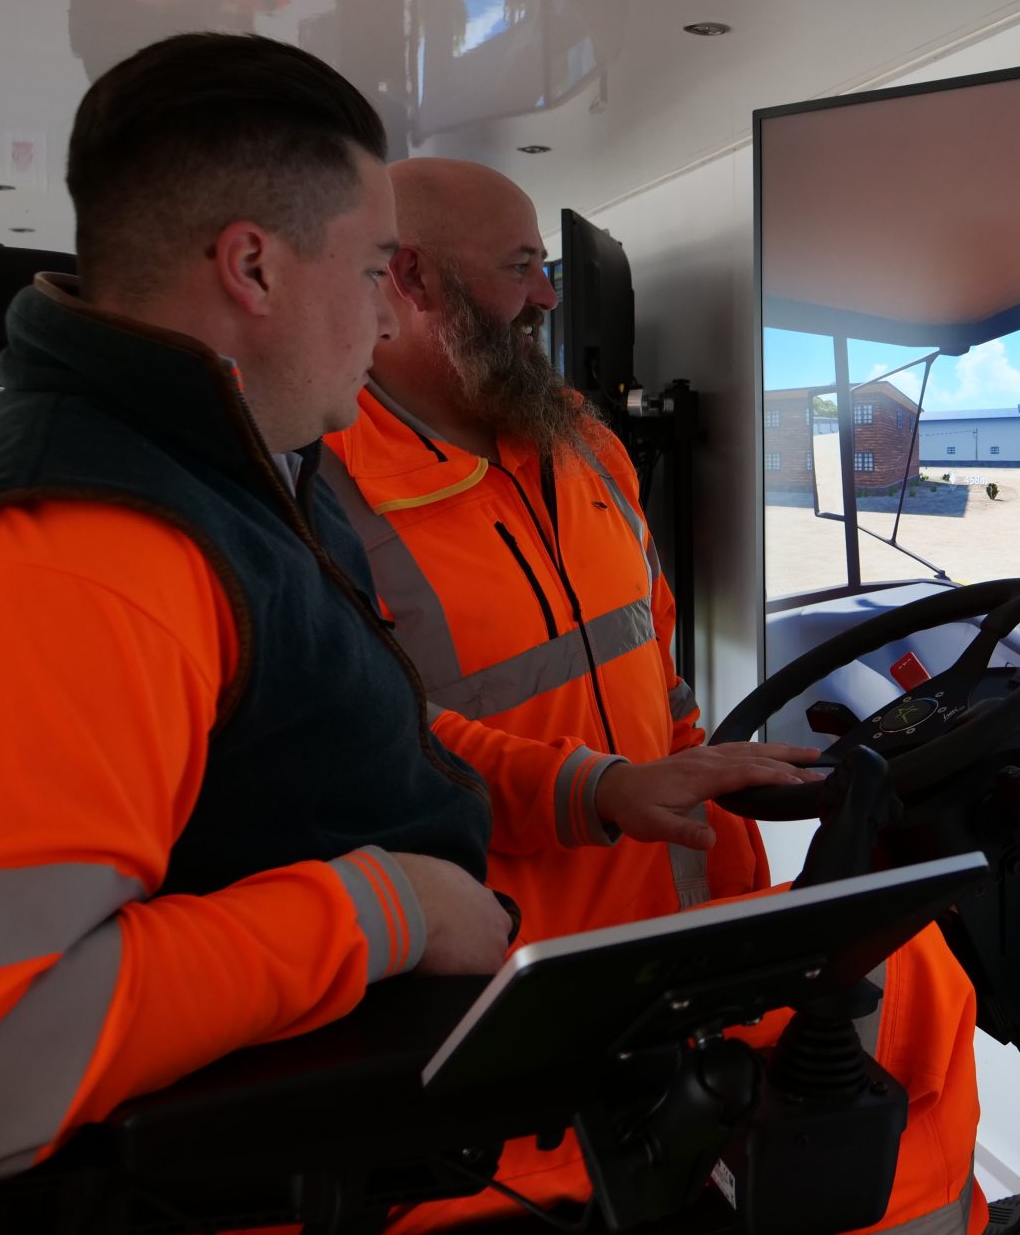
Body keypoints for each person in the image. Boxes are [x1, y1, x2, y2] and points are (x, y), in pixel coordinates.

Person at [322, 157, 986, 1234]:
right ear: (414, 281)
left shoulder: (583, 441)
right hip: (511, 990)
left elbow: (655, 653)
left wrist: (721, 814)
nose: (547, 296)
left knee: (919, 984)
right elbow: (371, 748)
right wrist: (602, 789)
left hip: (679, 938)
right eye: (520, 268)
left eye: (546, 267)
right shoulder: (323, 493)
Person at [0, 34, 517, 1186]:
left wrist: (583, 787)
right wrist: (387, 909)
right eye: (372, 271)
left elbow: (314, 731)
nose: (385, 321)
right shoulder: (86, 552)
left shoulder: (236, 458)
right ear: (253, 268)